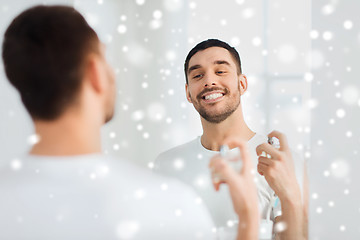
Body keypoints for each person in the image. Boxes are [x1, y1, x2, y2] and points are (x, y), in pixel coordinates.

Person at [0, 5, 261, 240]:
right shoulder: (167, 203)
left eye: (221, 70)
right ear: (95, 73)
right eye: (106, 59)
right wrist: (248, 219)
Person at [154, 39, 306, 239]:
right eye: (198, 75)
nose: (209, 81)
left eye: (220, 71)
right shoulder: (167, 166)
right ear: (188, 93)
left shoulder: (280, 162)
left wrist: (290, 196)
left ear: (242, 84)